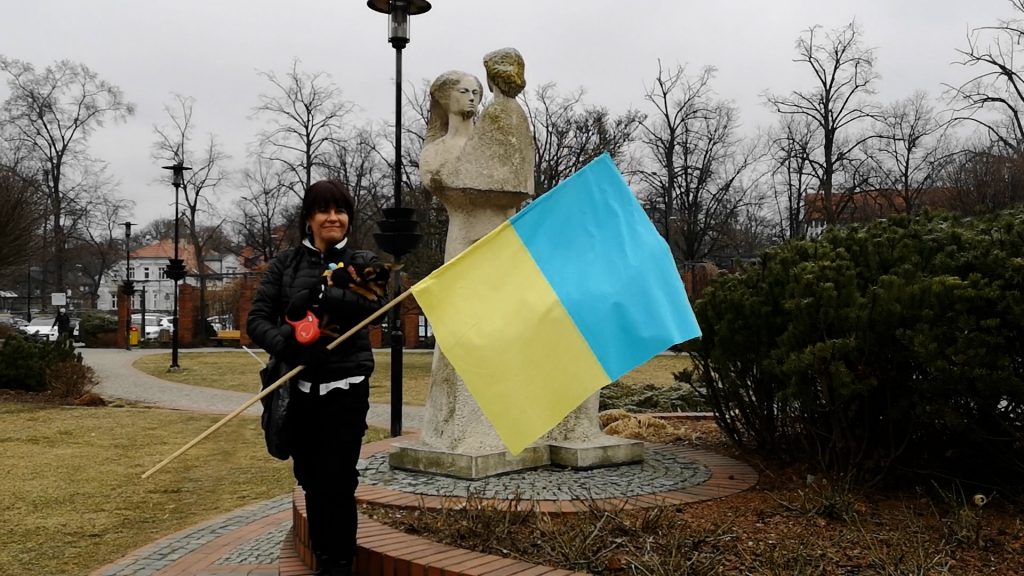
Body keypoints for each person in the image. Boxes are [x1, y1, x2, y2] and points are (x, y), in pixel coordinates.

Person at [246, 180, 386, 576]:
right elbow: (256, 319)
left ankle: (338, 565)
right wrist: (289, 347)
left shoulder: (362, 260)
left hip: (345, 390)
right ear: (309, 218)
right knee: (310, 480)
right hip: (300, 392)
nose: (333, 218)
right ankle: (325, 557)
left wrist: (325, 294)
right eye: (324, 210)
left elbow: (371, 304)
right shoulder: (285, 265)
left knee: (339, 481)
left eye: (340, 211)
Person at [419, 70, 483, 191]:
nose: (471, 98)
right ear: (446, 98)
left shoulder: (488, 146)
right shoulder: (432, 152)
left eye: (475, 93)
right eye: (463, 92)